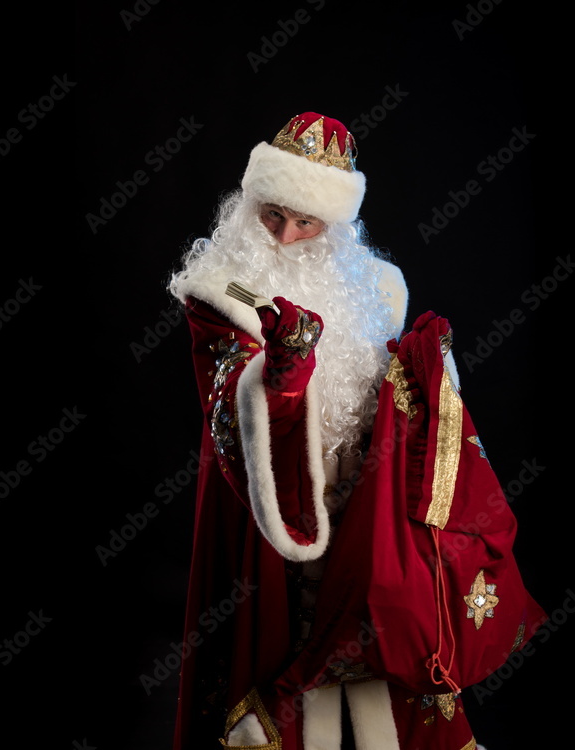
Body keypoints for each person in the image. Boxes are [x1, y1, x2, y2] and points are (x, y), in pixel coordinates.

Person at [165, 112, 531, 749]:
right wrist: (280, 375)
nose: (283, 235)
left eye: (305, 222)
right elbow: (226, 400)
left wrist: (427, 372)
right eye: (272, 214)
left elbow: (396, 393)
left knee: (383, 634)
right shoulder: (217, 290)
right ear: (251, 202)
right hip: (271, 517)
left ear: (334, 227)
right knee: (286, 651)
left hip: (369, 506)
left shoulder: (379, 288)